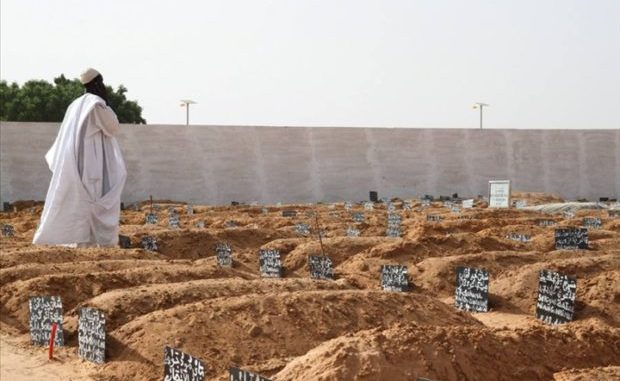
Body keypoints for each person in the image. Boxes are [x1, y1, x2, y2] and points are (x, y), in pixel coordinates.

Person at [33, 68, 127, 247]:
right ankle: (92, 243)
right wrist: (106, 102)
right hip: (92, 162)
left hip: (76, 160)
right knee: (92, 200)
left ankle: (79, 242)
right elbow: (113, 126)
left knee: (79, 201)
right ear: (97, 83)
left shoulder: (75, 104)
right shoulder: (96, 104)